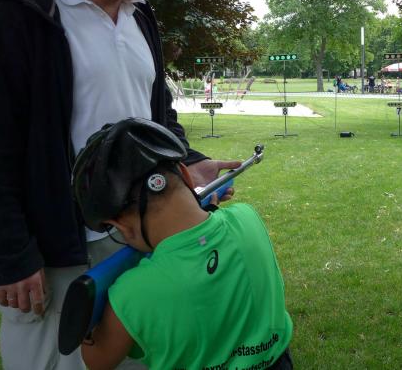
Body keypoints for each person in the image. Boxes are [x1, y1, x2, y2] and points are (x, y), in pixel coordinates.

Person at [0, 0, 238, 369]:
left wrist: (190, 163)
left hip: (138, 235)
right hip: (56, 245)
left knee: (128, 360)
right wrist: (10, 254)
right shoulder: (28, 12)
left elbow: (157, 117)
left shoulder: (140, 18)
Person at [72, 118, 293, 370]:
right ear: (186, 174)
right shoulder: (247, 218)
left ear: (121, 226)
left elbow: (96, 361)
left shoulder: (130, 295)